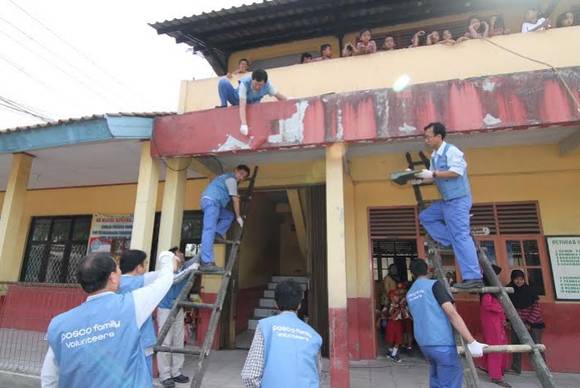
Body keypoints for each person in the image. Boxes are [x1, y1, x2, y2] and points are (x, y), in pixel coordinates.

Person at [41, 251, 180, 388]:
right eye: (118, 268)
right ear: (113, 277)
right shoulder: (131, 306)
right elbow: (164, 281)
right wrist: (166, 257)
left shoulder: (59, 324)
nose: (121, 272)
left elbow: (50, 377)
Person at [415, 122, 483, 290]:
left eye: (429, 136)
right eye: (425, 137)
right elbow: (432, 177)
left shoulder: (452, 151)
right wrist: (416, 177)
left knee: (461, 236)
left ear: (439, 136)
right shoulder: (434, 156)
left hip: (459, 200)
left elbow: (456, 172)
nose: (426, 140)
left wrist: (433, 173)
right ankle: (449, 239)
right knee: (426, 217)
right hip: (446, 202)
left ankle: (473, 276)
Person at [406, 259, 487, 388]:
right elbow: (452, 314)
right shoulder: (434, 285)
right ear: (427, 270)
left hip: (424, 344)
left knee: (436, 379)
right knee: (450, 382)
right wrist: (472, 341)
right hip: (442, 343)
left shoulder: (409, 293)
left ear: (412, 273)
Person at [241, 279, 322, 387]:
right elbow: (316, 374)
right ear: (299, 305)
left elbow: (250, 377)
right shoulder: (314, 336)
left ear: (275, 304)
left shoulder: (265, 327)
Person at [200, 165, 251, 272]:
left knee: (228, 216)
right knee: (209, 230)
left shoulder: (227, 179)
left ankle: (217, 233)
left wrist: (235, 215)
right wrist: (238, 217)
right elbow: (235, 200)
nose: (241, 178)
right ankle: (206, 261)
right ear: (235, 170)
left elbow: (235, 196)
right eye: (241, 174)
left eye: (244, 177)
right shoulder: (231, 179)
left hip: (215, 204)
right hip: (211, 201)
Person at [118, 250, 158, 377]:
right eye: (144, 264)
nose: (146, 268)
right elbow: (168, 276)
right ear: (138, 268)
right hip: (142, 338)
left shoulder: (115, 284)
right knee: (144, 375)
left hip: (121, 339)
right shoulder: (140, 281)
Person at [156, 247, 190, 388]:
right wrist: (189, 269)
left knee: (178, 341)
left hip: (178, 309)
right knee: (165, 342)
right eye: (178, 254)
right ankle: (165, 375)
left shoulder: (183, 269)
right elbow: (175, 280)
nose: (181, 255)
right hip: (165, 309)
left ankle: (176, 372)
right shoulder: (165, 272)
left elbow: (195, 260)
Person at [217, 69, 287, 136]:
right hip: (237, 99)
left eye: (260, 85)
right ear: (252, 80)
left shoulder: (268, 86)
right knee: (223, 82)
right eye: (255, 84)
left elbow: (279, 96)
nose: (257, 87)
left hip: (253, 104)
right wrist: (244, 124)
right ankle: (223, 105)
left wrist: (289, 101)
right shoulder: (245, 83)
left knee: (259, 110)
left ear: (264, 83)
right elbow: (242, 106)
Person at [507, 270, 546, 375]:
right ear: (512, 279)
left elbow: (536, 309)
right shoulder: (509, 291)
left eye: (521, 279)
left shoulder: (530, 291)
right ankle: (516, 368)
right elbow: (506, 308)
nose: (519, 282)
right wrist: (509, 321)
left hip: (534, 324)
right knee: (516, 346)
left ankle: (543, 369)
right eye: (516, 279)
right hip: (516, 323)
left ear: (524, 279)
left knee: (536, 346)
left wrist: (529, 323)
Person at [480, 265, 511, 387]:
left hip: (496, 322)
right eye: (495, 275)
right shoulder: (487, 292)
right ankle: (496, 375)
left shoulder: (492, 291)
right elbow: (487, 305)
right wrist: (501, 308)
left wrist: (503, 317)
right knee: (495, 347)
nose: (497, 278)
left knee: (500, 345)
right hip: (491, 323)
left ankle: (497, 369)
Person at [386, 289, 407, 362]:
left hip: (398, 323)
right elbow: (392, 316)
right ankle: (390, 351)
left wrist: (402, 309)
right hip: (391, 323)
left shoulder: (400, 305)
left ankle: (393, 354)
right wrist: (399, 309)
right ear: (391, 297)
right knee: (391, 340)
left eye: (398, 296)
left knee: (398, 339)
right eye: (396, 296)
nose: (398, 297)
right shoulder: (388, 305)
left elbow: (405, 316)